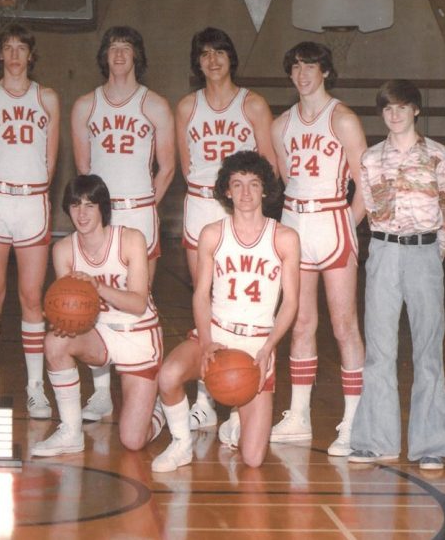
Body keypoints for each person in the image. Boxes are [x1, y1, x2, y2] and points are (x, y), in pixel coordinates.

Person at [151, 151, 299, 472]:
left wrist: (269, 348)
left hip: (256, 344)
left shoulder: (285, 238)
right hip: (217, 332)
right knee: (168, 375)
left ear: (265, 190)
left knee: (253, 459)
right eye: (237, 184)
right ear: (226, 191)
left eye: (254, 184)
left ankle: (234, 420)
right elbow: (201, 295)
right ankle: (181, 445)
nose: (246, 193)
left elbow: (291, 303)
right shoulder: (213, 234)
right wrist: (205, 342)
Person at [349, 80, 445, 471]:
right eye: (387, 109)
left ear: (415, 109)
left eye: (401, 107)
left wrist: (431, 254)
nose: (394, 115)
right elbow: (364, 205)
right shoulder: (370, 158)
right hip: (382, 252)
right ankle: (376, 439)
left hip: (425, 252)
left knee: (428, 350)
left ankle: (430, 443)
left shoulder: (439, 156)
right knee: (379, 350)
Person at [70, 26, 176, 422]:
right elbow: (83, 169)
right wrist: (96, 213)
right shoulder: (85, 105)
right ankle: (101, 393)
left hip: (139, 210)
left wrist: (147, 204)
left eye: (126, 48)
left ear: (137, 56)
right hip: (99, 212)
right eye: (113, 47)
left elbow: (166, 167)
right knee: (94, 299)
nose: (119, 54)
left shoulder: (155, 105)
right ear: (104, 55)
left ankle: (152, 385)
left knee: (139, 300)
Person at [175, 27, 277, 438]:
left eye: (220, 52)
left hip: (240, 204)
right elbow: (187, 166)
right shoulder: (186, 107)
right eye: (204, 54)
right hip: (201, 203)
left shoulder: (252, 104)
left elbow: (267, 167)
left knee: (238, 300)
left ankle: (237, 401)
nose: (212, 60)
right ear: (197, 63)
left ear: (231, 58)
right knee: (206, 297)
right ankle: (205, 399)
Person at [269, 42, 367, 456]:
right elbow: (283, 178)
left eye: (310, 66)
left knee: (344, 324)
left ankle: (354, 421)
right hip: (295, 221)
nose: (302, 73)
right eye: (295, 66)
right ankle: (299, 415)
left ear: (325, 71)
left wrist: (348, 223)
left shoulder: (343, 119)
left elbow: (365, 185)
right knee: (301, 322)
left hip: (332, 220)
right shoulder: (280, 126)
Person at [31, 175, 164, 456]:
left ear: (103, 208)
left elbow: (139, 304)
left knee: (132, 440)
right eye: (76, 205)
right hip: (100, 332)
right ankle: (70, 431)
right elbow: (73, 312)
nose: (82, 213)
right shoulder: (63, 249)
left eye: (90, 205)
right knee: (55, 341)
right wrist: (60, 315)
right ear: (67, 209)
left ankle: (157, 410)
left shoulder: (130, 239)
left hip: (137, 335)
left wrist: (97, 286)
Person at [0, 24, 60, 419]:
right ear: (0, 55)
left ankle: (36, 386)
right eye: (8, 48)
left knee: (32, 297)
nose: (15, 55)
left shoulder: (48, 99)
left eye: (21, 48)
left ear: (31, 55)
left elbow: (51, 161)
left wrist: (35, 190)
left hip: (32, 202)